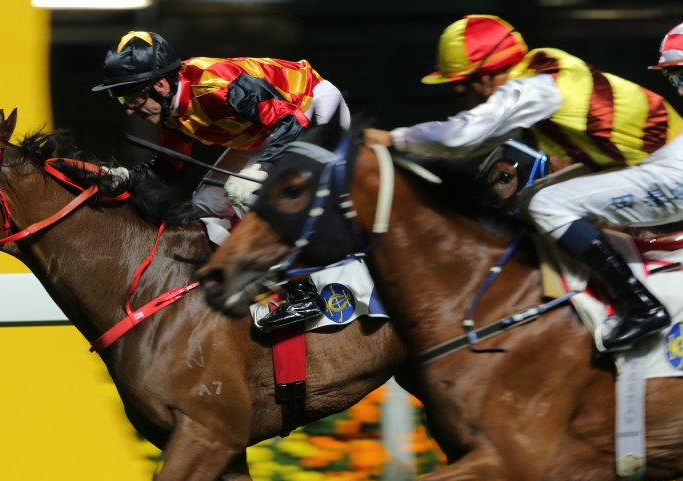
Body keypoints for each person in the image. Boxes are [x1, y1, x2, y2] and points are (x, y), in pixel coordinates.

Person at [364, 14, 683, 352]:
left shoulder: (533, 87)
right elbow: (474, 142)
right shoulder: (536, 78)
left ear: (484, 78)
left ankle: (640, 305)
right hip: (654, 164)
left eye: (460, 83)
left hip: (671, 172)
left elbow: (461, 135)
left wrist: (392, 138)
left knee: (549, 204)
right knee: (536, 197)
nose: (459, 95)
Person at [92, 31, 351, 329]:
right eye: (121, 98)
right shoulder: (170, 109)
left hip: (311, 108)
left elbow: (290, 122)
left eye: (131, 95)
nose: (127, 107)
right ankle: (243, 275)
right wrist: (127, 180)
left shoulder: (217, 86)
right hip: (266, 130)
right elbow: (170, 166)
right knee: (207, 201)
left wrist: (263, 169)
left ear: (160, 85)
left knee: (248, 192)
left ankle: (302, 291)